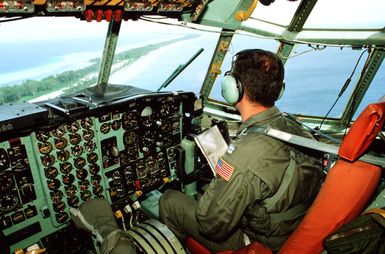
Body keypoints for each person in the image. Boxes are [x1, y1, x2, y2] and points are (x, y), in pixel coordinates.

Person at [159, 49, 324, 252]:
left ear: (233, 88)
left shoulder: (243, 157)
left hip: (263, 240)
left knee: (169, 201)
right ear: (279, 89)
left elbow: (210, 226)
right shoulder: (297, 129)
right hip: (293, 223)